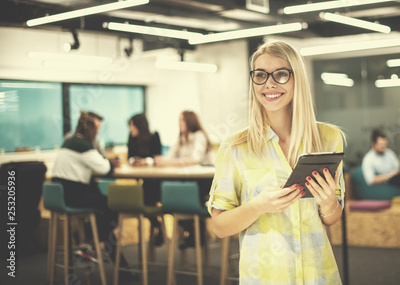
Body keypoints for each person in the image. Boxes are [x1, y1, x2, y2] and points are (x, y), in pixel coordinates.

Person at [208, 40, 346, 284]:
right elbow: (219, 227)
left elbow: (333, 217)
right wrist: (257, 206)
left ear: (297, 79)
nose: (269, 83)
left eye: (281, 74)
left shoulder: (328, 139)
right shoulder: (235, 147)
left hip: (319, 275)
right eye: (260, 75)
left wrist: (328, 203)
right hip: (265, 277)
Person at [52, 111, 135, 279]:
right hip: (74, 195)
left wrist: (105, 162)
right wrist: (110, 164)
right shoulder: (84, 146)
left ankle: (88, 243)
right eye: (96, 129)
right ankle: (88, 240)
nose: (98, 133)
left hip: (61, 193)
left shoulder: (69, 141)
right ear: (90, 130)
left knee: (104, 215)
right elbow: (105, 169)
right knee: (113, 208)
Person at [154, 110, 214, 249]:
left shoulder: (199, 136)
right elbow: (170, 155)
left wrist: (168, 162)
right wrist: (162, 160)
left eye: (182, 120)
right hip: (189, 179)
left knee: (179, 195)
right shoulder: (181, 137)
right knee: (172, 196)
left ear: (189, 122)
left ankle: (196, 233)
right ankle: (195, 232)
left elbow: (194, 160)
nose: (179, 123)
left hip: (205, 179)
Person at [126, 113, 163, 245]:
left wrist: (145, 161)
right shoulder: (131, 138)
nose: (130, 129)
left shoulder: (154, 136)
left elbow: (157, 157)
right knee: (142, 198)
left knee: (147, 195)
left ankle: (159, 228)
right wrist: (134, 161)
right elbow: (129, 157)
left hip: (154, 179)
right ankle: (159, 227)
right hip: (141, 180)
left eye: (132, 126)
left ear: (139, 126)